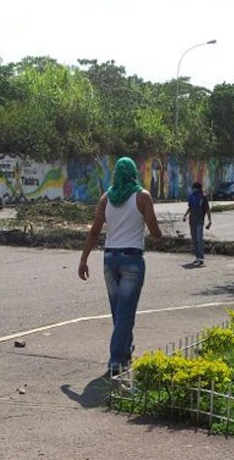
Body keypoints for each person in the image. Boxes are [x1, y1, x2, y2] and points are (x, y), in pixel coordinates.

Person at [78, 157, 162, 377]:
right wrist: (160, 236)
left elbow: (95, 231)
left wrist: (84, 259)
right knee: (125, 314)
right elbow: (154, 230)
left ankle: (125, 351)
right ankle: (116, 361)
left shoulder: (106, 198)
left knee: (119, 312)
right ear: (133, 173)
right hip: (132, 260)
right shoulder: (142, 196)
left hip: (109, 260)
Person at [182, 182, 212, 266]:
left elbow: (207, 210)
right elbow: (190, 208)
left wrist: (209, 221)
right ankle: (197, 257)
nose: (194, 190)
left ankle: (201, 257)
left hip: (199, 221)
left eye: (196, 188)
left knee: (199, 239)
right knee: (194, 239)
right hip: (192, 221)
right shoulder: (191, 197)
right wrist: (185, 215)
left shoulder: (203, 198)